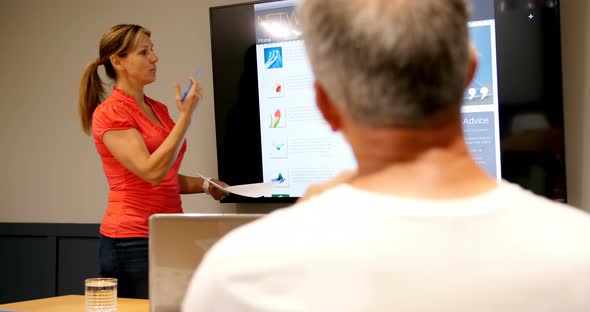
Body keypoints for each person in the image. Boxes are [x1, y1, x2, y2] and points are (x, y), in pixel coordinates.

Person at [182, 0, 590, 310]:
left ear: (324, 104)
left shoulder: (240, 272)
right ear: (469, 72)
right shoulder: (579, 251)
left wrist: (293, 230)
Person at [78, 24, 228, 299]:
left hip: (167, 233)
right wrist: (186, 117)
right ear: (117, 61)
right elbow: (151, 172)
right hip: (130, 239)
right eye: (144, 52)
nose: (154, 58)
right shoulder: (110, 113)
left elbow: (167, 176)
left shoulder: (157, 108)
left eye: (153, 50)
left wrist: (206, 185)